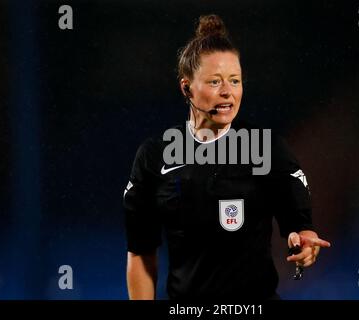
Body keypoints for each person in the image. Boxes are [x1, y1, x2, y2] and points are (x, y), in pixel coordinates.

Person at [123, 14, 330, 300]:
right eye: (214, 82)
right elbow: (141, 253)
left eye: (235, 81)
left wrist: (305, 241)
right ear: (186, 88)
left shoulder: (266, 149)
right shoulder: (154, 157)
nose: (227, 93)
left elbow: (299, 224)